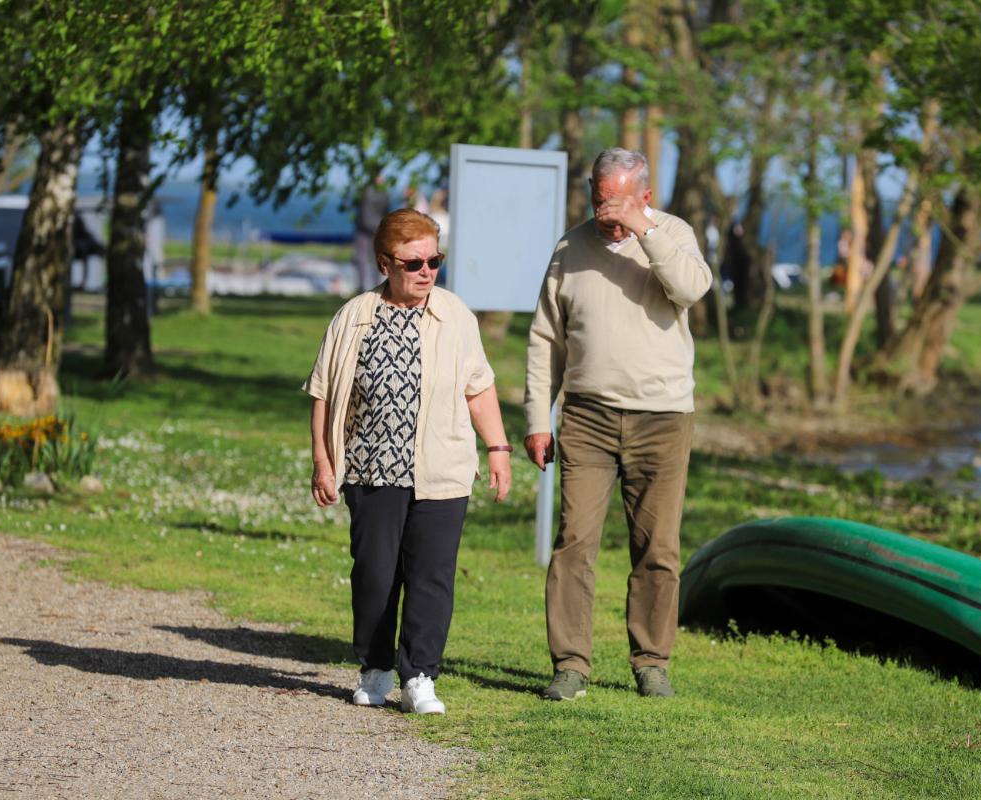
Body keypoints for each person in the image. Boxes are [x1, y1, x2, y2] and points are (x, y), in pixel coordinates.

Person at [303, 208, 512, 715]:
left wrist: (499, 449)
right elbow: (323, 394)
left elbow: (479, 387)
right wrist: (323, 462)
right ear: (385, 264)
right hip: (371, 468)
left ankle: (420, 676)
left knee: (431, 577)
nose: (426, 271)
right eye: (413, 263)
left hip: (443, 469)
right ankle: (375, 668)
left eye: (434, 261)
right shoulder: (354, 316)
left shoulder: (455, 315)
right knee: (375, 575)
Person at [524, 147, 711, 701]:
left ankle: (651, 661)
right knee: (574, 542)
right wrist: (538, 419)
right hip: (587, 416)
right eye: (600, 198)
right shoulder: (569, 248)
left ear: (645, 196)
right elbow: (545, 339)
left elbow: (691, 289)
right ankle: (570, 665)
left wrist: (641, 230)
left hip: (663, 417)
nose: (607, 211)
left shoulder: (673, 234)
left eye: (620, 201)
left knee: (657, 548)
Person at [353, 175, 389, 292]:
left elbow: (357, 205)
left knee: (363, 259)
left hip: (364, 229)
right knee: (373, 259)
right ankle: (374, 286)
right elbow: (386, 211)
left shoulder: (364, 191)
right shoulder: (383, 194)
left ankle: (362, 286)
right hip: (373, 229)